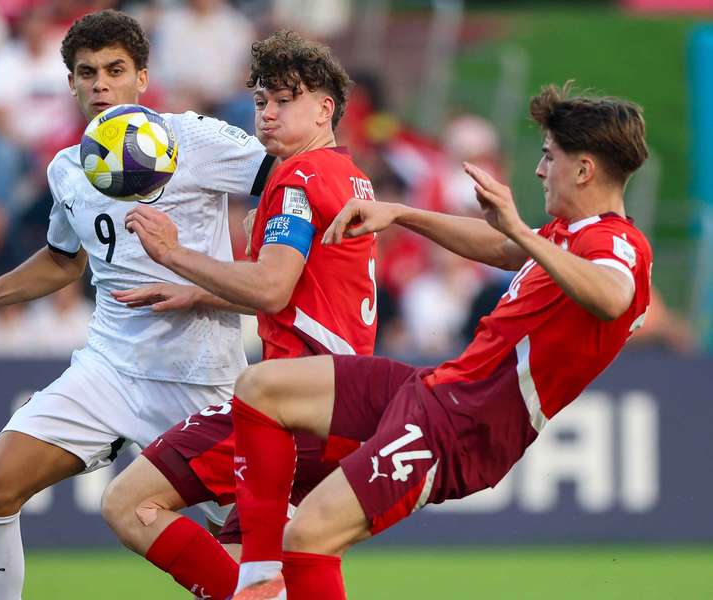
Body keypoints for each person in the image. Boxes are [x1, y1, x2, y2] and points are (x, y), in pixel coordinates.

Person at [228, 82, 653, 599]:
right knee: (262, 386)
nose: (540, 170)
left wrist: (520, 231)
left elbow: (611, 295)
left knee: (311, 537)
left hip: (464, 425)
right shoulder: (568, 235)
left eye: (549, 157)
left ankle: (262, 580)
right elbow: (500, 247)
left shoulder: (616, 242)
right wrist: (400, 214)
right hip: (439, 390)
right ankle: (253, 580)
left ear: (583, 170)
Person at [0, 10, 274, 600]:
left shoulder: (196, 137)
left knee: (256, 549)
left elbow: (294, 187)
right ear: (70, 82)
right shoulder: (68, 167)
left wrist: (222, 283)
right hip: (109, 370)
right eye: (87, 73)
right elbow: (66, 260)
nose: (100, 85)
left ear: (142, 77)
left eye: (115, 70)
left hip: (204, 380)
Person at [100, 31, 377, 600]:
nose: (267, 114)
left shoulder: (297, 178)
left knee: (128, 503)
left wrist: (175, 255)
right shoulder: (344, 174)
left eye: (284, 100)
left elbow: (273, 289)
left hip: (293, 401)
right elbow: (305, 291)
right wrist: (201, 294)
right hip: (341, 399)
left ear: (325, 109)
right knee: (277, 565)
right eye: (260, 101)